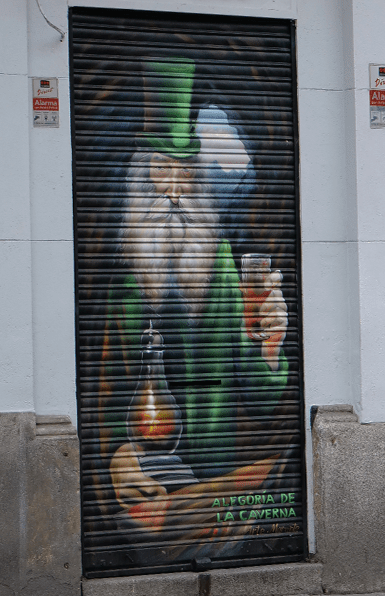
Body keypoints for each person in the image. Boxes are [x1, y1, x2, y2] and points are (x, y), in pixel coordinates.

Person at [97, 57, 291, 559]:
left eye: (185, 173)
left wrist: (270, 347)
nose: (173, 191)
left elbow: (262, 398)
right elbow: (102, 390)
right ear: (139, 180)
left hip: (214, 485)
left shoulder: (227, 269)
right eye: (160, 171)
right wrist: (117, 457)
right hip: (147, 484)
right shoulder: (123, 284)